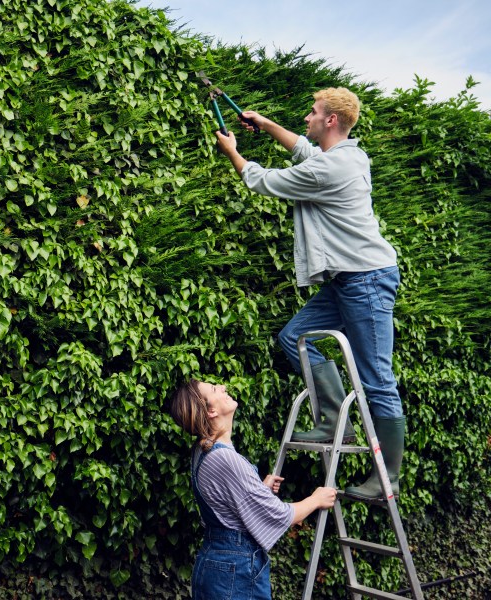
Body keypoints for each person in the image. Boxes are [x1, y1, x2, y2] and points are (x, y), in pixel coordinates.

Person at [214, 87, 404, 501]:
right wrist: (263, 125)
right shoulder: (347, 156)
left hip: (367, 278)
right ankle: (337, 418)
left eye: (313, 112)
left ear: (331, 120)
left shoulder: (331, 170)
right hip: (348, 279)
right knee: (295, 338)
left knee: (377, 380)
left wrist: (232, 150)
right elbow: (303, 149)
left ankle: (388, 476)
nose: (307, 117)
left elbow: (263, 180)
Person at [169, 379, 337, 599]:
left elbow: (227, 499)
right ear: (210, 411)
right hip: (233, 568)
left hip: (216, 563)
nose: (222, 387)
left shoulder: (203, 450)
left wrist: (258, 488)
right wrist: (316, 499)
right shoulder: (225, 458)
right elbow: (281, 515)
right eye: (213, 389)